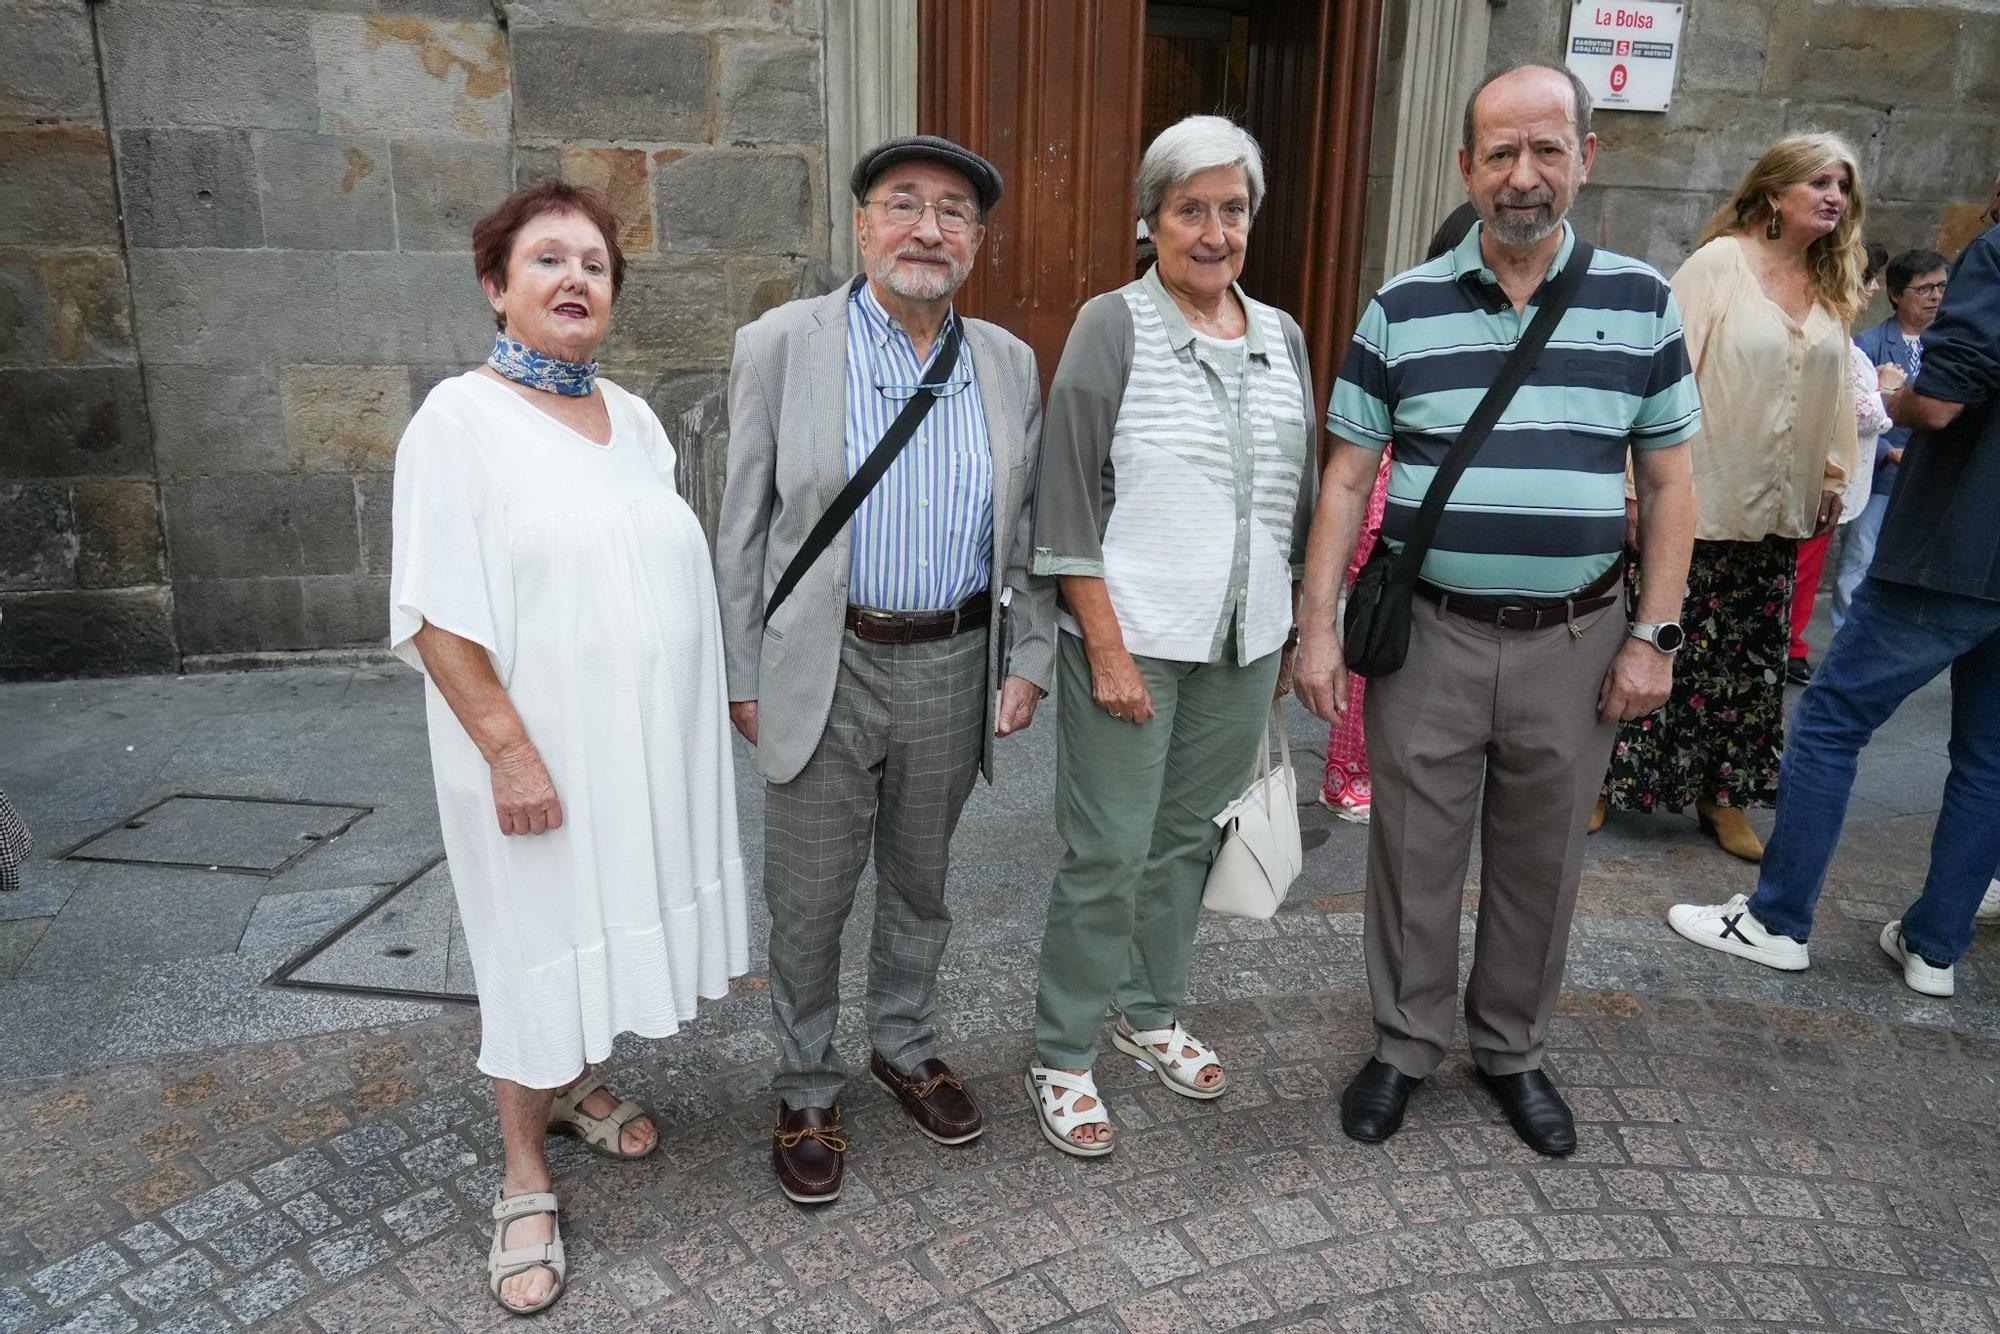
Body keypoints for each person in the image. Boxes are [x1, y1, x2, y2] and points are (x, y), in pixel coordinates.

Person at [1295, 64, 1699, 1156]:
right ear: (1465, 166)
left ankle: (1511, 1049)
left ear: (1583, 158)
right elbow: (1343, 477)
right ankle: (1403, 1042)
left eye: (1545, 150)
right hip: (1428, 634)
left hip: (1577, 640)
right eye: (1499, 153)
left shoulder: (1640, 302)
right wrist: (1318, 623)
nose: (1522, 176)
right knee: (1410, 855)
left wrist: (1654, 637)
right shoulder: (1400, 306)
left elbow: (1665, 483)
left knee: (1540, 860)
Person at [388, 182, 749, 1315]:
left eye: (593, 262)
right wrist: (509, 751)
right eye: (545, 259)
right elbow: (435, 617)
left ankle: (575, 1083)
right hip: (531, 753)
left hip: (631, 750)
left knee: (597, 915)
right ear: (496, 287)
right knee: (532, 944)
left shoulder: (631, 417)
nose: (573, 279)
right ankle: (524, 1173)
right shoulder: (457, 421)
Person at [714, 136, 1052, 1204]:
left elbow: (1027, 531)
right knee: (808, 898)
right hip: (826, 661)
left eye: (953, 213)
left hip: (952, 659)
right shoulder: (780, 343)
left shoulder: (1004, 361)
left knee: (920, 883)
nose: (927, 229)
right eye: (902, 205)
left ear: (977, 244)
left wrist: (1027, 651)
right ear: (861, 226)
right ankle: (805, 1081)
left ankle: (903, 1044)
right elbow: (738, 529)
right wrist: (740, 668)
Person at [1025, 115, 1315, 1156]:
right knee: (1107, 848)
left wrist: (1283, 633)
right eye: (1189, 208)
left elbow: (1290, 498)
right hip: (1131, 633)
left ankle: (1145, 1008)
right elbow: (1061, 499)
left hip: (1240, 644)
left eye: (1230, 208)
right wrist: (1100, 643)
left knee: (1186, 842)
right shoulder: (1114, 324)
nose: (1212, 229)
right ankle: (1061, 1050)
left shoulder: (1281, 335)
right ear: (1149, 220)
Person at [1666, 215, 2000, 998]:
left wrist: (1901, 398)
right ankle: (1935, 948)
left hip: (1956, 545)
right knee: (1988, 759)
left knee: (1829, 723)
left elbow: (1946, 400)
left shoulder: (1995, 252)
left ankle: (1777, 922)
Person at [1599, 134, 1862, 862]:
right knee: (1655, 638)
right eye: (1818, 181)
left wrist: (1833, 474)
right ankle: (1603, 779)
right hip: (1699, 499)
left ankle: (1724, 792)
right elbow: (1659, 375)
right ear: (1775, 193)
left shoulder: (1832, 280)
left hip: (1778, 508)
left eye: (1842, 184)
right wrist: (1632, 488)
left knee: (1748, 661)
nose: (1834, 196)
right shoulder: (1719, 265)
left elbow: (1838, 386)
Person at [1319, 211, 1477, 823]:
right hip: (1391, 523)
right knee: (1373, 656)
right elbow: (1357, 470)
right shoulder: (1407, 315)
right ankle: (1351, 774)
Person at [1834, 247, 1950, 632]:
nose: (1935, 296)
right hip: (1882, 473)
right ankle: (1845, 632)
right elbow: (1849, 414)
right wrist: (1887, 453)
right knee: (1860, 556)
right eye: (1925, 288)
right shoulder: (1868, 344)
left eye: (1941, 287)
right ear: (1897, 294)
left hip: (1932, 473)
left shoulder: (1952, 345)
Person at [1791, 242, 1892, 682]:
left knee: (1809, 569)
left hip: (1836, 483)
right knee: (1803, 569)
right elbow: (1850, 410)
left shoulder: (1841, 336)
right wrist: (1886, 393)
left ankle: (1792, 643)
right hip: (1818, 481)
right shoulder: (1833, 338)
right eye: (1868, 279)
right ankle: (1790, 645)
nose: (1873, 289)